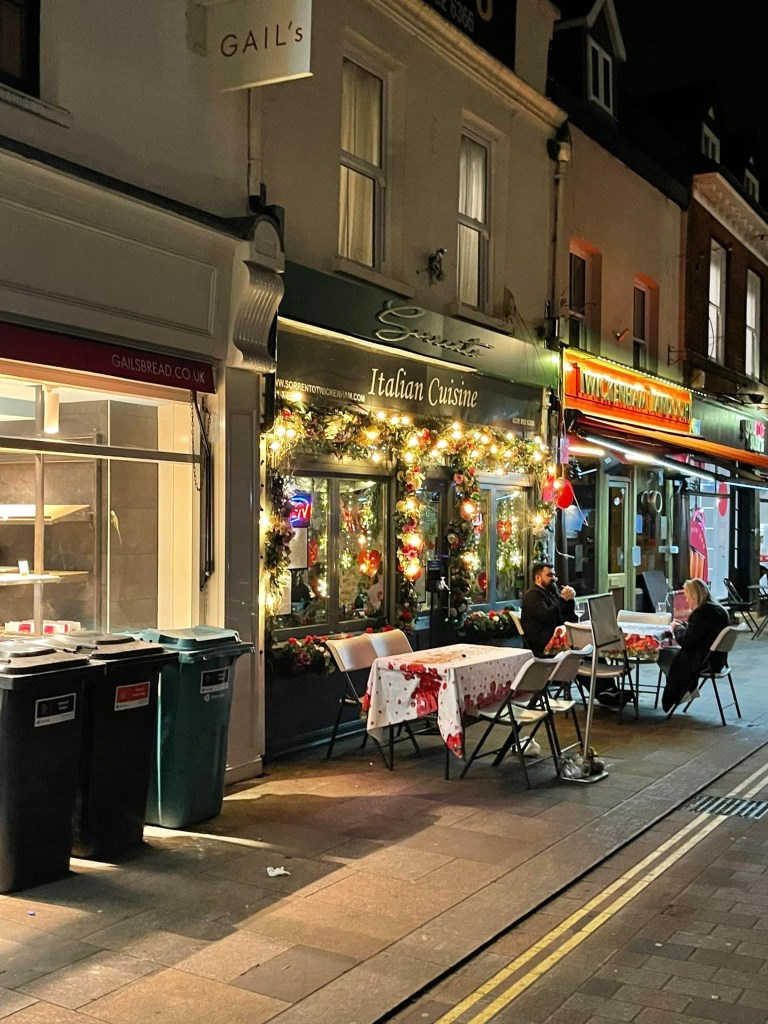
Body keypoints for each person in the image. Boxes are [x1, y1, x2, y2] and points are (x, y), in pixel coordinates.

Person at [659, 578, 729, 713]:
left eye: (687, 596)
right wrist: (685, 626)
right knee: (672, 655)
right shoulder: (719, 611)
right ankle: (687, 687)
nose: (687, 600)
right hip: (718, 660)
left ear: (694, 596)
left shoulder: (701, 613)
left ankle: (682, 690)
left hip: (704, 662)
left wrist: (676, 628)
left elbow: (687, 642)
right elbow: (701, 632)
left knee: (665, 654)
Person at [520, 561, 576, 657]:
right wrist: (562, 599)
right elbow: (547, 617)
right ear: (538, 578)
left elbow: (567, 615)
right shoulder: (533, 595)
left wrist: (570, 599)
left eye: (554, 575)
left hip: (556, 634)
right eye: (549, 575)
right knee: (581, 641)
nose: (554, 578)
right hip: (542, 641)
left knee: (584, 637)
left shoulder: (552, 592)